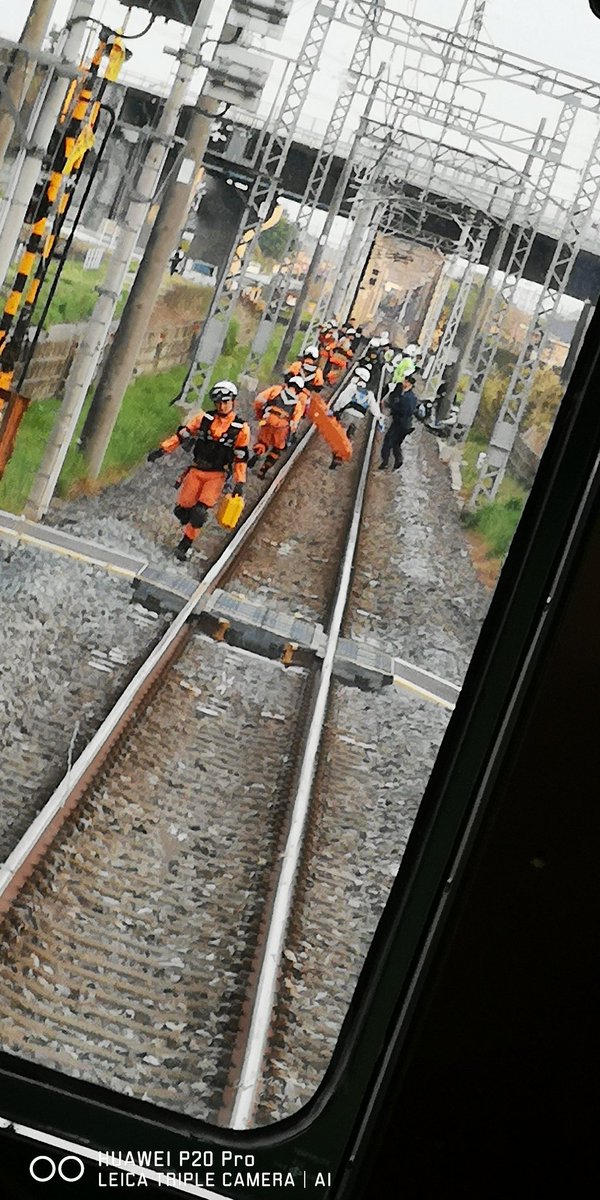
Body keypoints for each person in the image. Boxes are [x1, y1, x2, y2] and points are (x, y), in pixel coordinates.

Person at [147, 380, 249, 560]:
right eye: (218, 402)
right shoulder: (204, 419)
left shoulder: (241, 429)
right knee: (183, 509)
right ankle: (185, 518)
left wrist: (239, 483)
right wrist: (162, 450)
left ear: (233, 401)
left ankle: (184, 545)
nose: (222, 406)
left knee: (199, 513)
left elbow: (241, 458)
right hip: (196, 470)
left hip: (216, 475)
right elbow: (182, 436)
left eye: (226, 402)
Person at [328, 365, 384, 469]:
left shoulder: (352, 387)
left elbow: (342, 399)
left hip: (347, 415)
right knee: (350, 437)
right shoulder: (369, 394)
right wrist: (379, 418)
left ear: (359, 378)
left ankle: (337, 456)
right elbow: (374, 408)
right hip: (358, 418)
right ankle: (345, 452)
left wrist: (334, 410)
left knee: (340, 435)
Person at [249, 375, 305, 478]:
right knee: (277, 449)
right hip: (282, 427)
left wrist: (260, 415)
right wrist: (290, 433)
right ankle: (263, 470)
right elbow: (294, 423)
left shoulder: (276, 389)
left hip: (269, 419)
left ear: (288, 384)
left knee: (263, 442)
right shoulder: (298, 404)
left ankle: (258, 453)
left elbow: (259, 400)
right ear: (299, 390)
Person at [379, 375, 417, 471]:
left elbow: (404, 411)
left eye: (407, 382)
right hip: (403, 423)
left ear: (411, 385)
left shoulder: (409, 398)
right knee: (396, 443)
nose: (404, 383)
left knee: (388, 441)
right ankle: (398, 460)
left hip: (400, 423)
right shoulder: (402, 392)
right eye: (405, 381)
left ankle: (385, 463)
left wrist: (391, 406)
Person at [285, 345, 324, 414]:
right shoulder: (318, 372)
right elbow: (318, 387)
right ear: (316, 358)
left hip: (289, 390)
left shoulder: (297, 365)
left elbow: (288, 377)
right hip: (303, 395)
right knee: (300, 411)